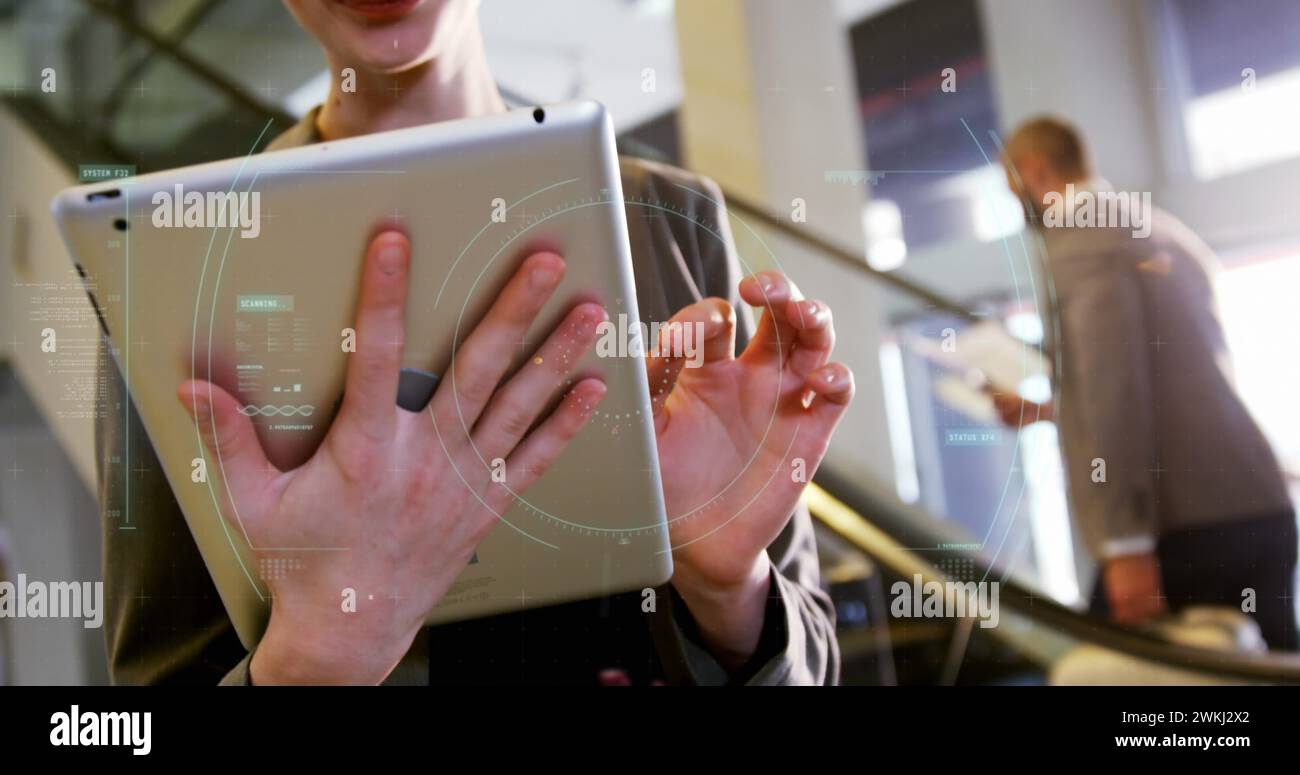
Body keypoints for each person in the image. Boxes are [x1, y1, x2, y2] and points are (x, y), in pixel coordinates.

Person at [97, 0, 854, 685]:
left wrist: (726, 586)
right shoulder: (175, 266)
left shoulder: (666, 222)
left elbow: (807, 664)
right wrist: (315, 659)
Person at [998, 116, 1297, 650]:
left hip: (1185, 525)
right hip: (1251, 505)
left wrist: (1126, 542)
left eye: (1011, 185)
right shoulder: (1151, 225)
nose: (1015, 201)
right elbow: (1150, 382)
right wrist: (1048, 409)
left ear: (1034, 171)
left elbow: (1116, 394)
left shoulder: (1081, 240)